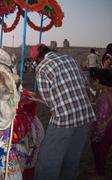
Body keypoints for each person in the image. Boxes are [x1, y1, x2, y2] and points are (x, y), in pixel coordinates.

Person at [31, 44, 96, 180]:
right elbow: (85, 84)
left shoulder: (42, 67)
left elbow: (48, 100)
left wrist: (39, 99)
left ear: (37, 59)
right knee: (71, 159)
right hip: (85, 114)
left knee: (48, 162)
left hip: (64, 119)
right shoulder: (69, 58)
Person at [90, 69, 112, 179]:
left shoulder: (108, 91)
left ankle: (100, 175)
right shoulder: (102, 90)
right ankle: (98, 170)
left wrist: (106, 123)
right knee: (95, 146)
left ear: (99, 81)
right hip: (98, 124)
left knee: (102, 150)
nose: (94, 84)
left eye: (94, 81)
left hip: (106, 126)